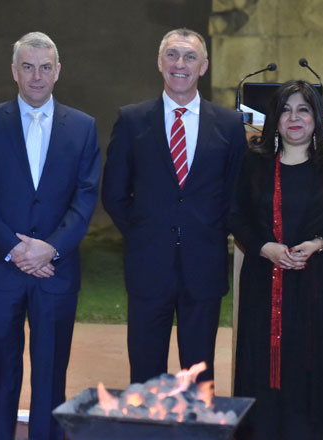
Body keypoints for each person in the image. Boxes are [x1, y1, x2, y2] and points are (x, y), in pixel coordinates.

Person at [0, 32, 100, 440]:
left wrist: (51, 248)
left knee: (51, 379)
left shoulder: (83, 127)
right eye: (28, 67)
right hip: (0, 270)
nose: (36, 76)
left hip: (56, 273)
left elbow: (86, 197)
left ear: (58, 72)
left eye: (44, 67)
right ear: (14, 72)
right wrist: (15, 248)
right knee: (1, 376)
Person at [101, 28, 246, 385]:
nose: (180, 64)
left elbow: (237, 194)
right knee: (145, 376)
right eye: (172, 55)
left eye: (189, 57)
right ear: (159, 62)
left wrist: (210, 231)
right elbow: (114, 193)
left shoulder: (229, 125)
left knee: (198, 378)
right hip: (148, 267)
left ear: (203, 66)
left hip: (204, 267)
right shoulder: (132, 120)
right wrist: (144, 233)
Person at [229, 80, 323, 439]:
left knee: (309, 360)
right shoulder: (255, 161)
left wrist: (319, 243)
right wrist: (263, 247)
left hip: (314, 280)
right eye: (285, 110)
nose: (294, 118)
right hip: (262, 279)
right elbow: (235, 214)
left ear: (316, 117)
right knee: (260, 361)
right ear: (275, 118)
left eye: (303, 109)